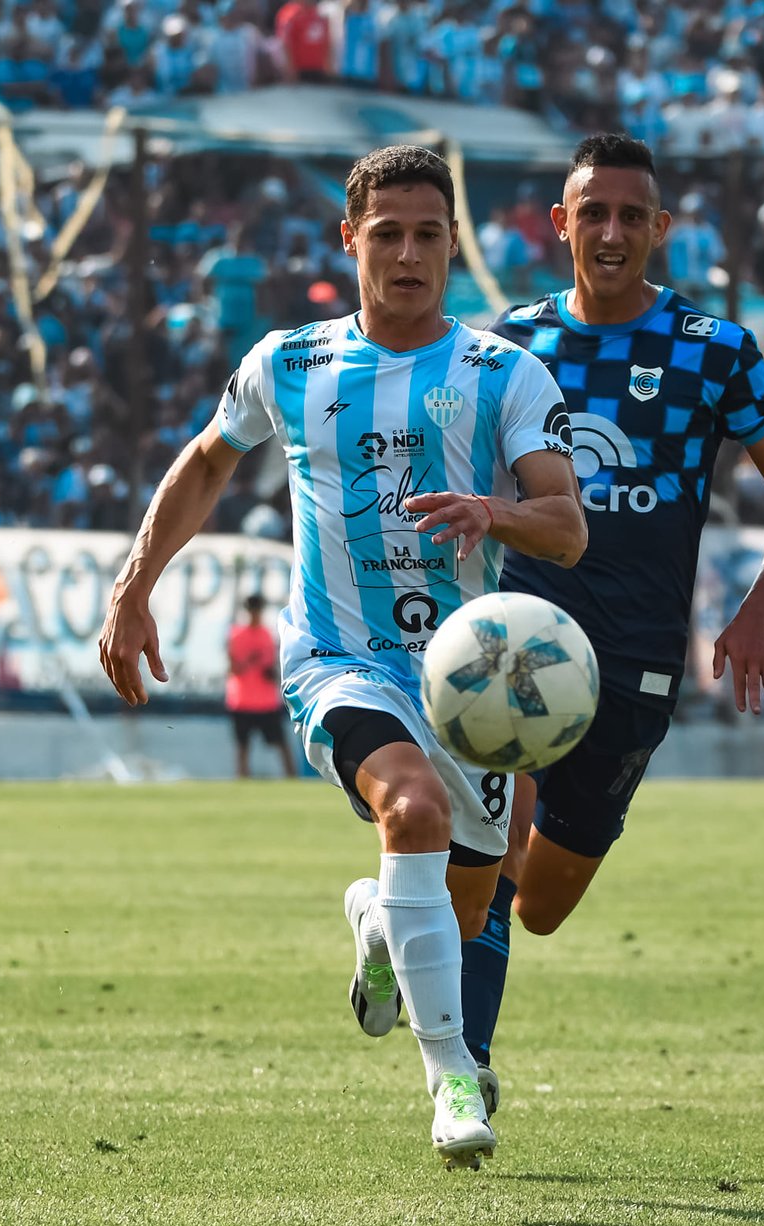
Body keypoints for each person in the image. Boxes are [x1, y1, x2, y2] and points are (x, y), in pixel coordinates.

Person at [97, 145, 585, 1168]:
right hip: (338, 658)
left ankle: (375, 911)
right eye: (389, 232)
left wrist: (492, 509)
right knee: (412, 809)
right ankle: (453, 1077)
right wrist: (133, 583)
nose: (409, 253)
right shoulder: (290, 361)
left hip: (469, 678)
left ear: (454, 244)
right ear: (349, 238)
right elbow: (203, 464)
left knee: (461, 902)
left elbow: (566, 526)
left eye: (429, 234)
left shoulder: (502, 371)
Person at [459, 134, 764, 1111]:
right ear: (560, 224)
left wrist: (754, 615)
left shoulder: (713, 351)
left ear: (659, 230)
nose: (611, 232)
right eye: (593, 213)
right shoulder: (510, 344)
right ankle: (467, 1067)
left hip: (633, 665)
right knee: (491, 844)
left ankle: (449, 901)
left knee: (540, 906)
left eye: (631, 216)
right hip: (520, 641)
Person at [225, 592, 297, 779]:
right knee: (243, 747)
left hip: (266, 701)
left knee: (282, 745)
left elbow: (274, 666)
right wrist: (250, 661)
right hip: (242, 700)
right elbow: (232, 669)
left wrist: (271, 674)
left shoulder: (267, 635)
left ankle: (293, 781)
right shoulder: (236, 635)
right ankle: (242, 780)